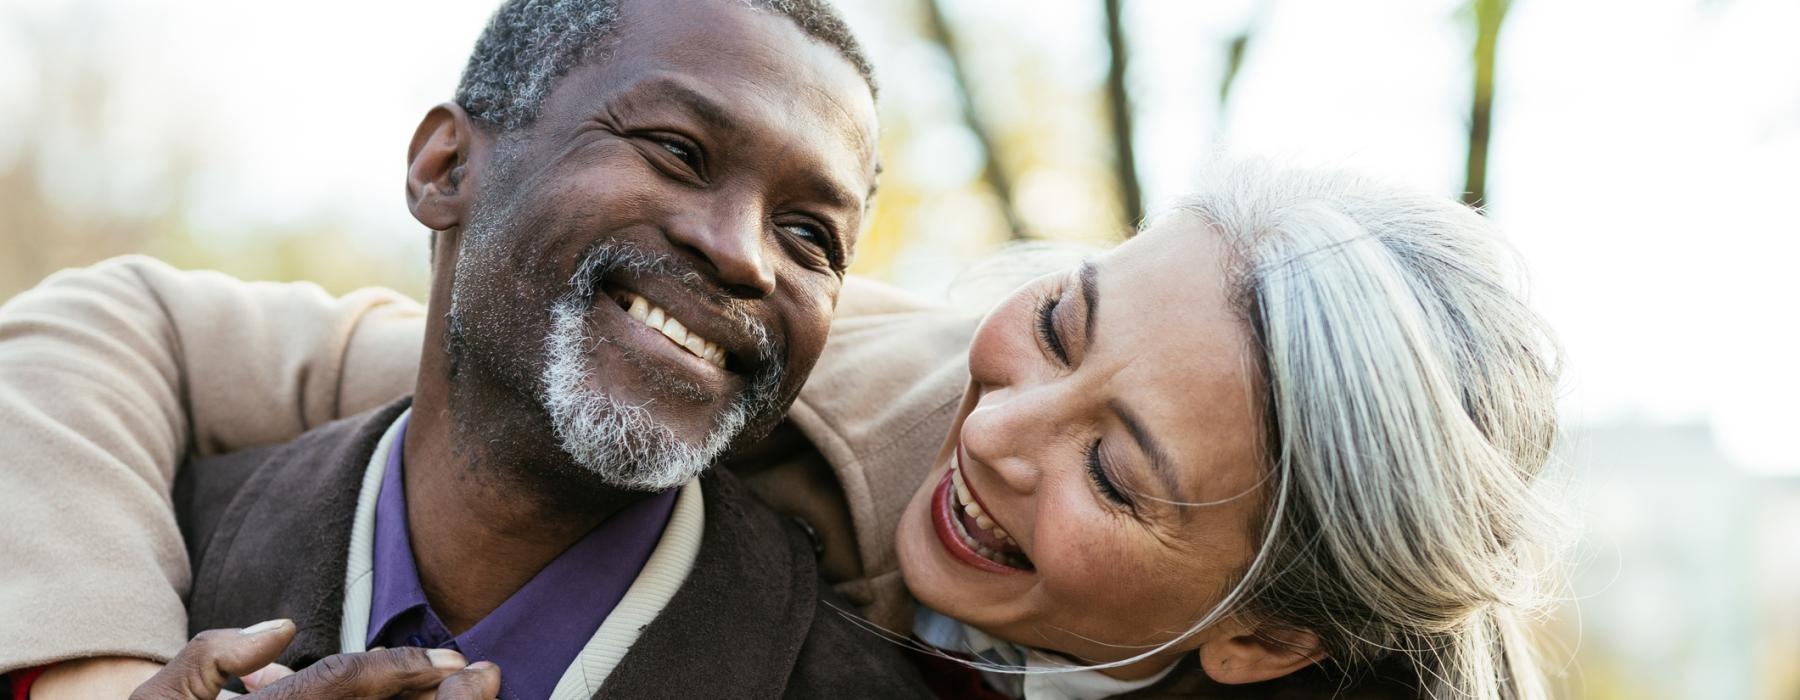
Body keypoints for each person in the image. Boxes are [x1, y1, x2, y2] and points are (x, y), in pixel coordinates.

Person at [1, 161, 1565, 698]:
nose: (1006, 426)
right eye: (1067, 325)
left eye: (1115, 470)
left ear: (1270, 638)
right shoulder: (780, 379)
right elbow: (113, 323)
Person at [0, 0, 944, 697]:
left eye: (811, 237)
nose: (746, 256)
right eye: (676, 149)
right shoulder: (128, 571)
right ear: (445, 168)